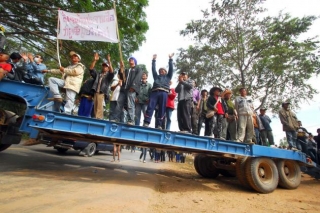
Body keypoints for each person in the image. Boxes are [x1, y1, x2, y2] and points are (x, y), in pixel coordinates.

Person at [143, 54, 174, 129]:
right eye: (160, 70)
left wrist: (170, 59)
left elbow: (171, 69)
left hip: (164, 92)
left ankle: (159, 124)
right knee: (150, 106)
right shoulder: (156, 77)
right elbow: (153, 69)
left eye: (162, 70)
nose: (161, 71)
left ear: (165, 72)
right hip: (154, 92)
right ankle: (146, 122)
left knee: (162, 108)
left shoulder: (168, 77)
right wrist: (153, 60)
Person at [115, 57, 143, 124]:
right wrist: (121, 68)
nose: (130, 60)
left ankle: (131, 120)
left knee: (130, 105)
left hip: (131, 89)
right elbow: (122, 77)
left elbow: (138, 78)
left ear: (135, 61)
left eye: (132, 59)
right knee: (119, 103)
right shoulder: (127, 70)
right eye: (129, 59)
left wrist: (133, 86)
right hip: (124, 89)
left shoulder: (138, 69)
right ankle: (116, 118)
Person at [89, 53, 114, 119]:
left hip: (102, 92)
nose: (104, 67)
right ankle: (95, 118)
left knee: (99, 106)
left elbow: (112, 72)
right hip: (95, 91)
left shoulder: (108, 76)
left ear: (108, 68)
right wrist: (94, 60)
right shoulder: (98, 74)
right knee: (95, 106)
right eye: (103, 66)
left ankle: (99, 119)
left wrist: (109, 61)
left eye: (106, 66)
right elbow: (91, 69)